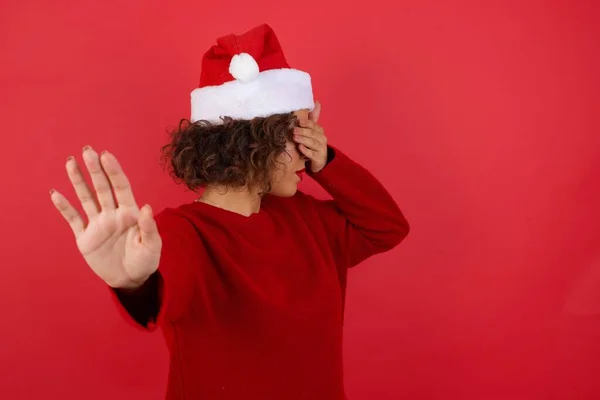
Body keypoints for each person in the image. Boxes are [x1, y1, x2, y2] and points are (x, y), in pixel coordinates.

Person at [50, 23, 410, 400]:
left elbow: (386, 227)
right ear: (251, 142)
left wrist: (329, 162)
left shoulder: (307, 219)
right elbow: (162, 297)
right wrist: (131, 283)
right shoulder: (182, 232)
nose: (311, 149)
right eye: (300, 134)